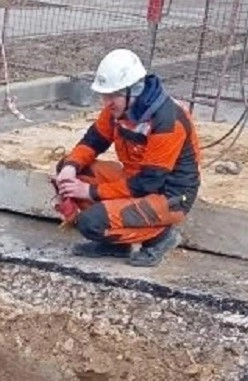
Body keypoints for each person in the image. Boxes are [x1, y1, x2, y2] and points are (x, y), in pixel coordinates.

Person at [53, 48, 201, 267]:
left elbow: (148, 183)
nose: (107, 102)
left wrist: (90, 192)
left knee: (90, 223)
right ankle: (116, 244)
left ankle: (159, 237)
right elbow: (92, 141)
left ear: (135, 90)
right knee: (73, 169)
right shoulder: (117, 110)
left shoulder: (167, 121)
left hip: (168, 196)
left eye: (113, 95)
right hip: (135, 180)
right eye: (105, 95)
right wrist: (70, 167)